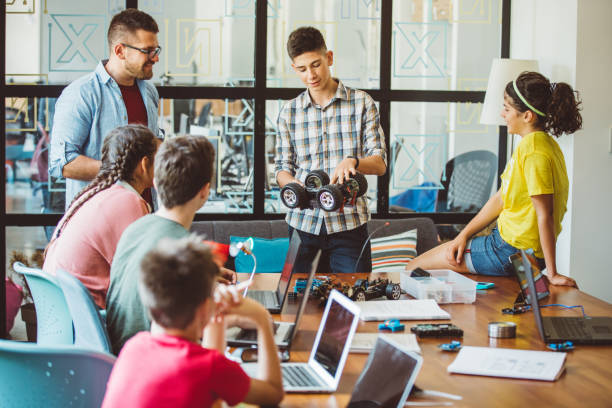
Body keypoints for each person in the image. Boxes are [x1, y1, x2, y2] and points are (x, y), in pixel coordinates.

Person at [406, 71, 582, 287]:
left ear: (527, 116)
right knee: (437, 257)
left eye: (507, 109)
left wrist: (553, 273)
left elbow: (545, 214)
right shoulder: (543, 145)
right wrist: (464, 236)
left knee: (413, 267)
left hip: (509, 250)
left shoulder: (533, 150)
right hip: (511, 247)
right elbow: (501, 198)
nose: (502, 114)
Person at [101, 236, 284, 408]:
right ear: (205, 306)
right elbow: (273, 394)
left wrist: (215, 315)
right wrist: (260, 318)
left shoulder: (133, 347)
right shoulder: (209, 367)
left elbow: (211, 390)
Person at [106, 135, 236, 354]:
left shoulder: (135, 229)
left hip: (122, 357)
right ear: (204, 192)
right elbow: (203, 329)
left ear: (155, 183)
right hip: (155, 361)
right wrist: (253, 319)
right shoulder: (183, 249)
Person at [274, 26, 387, 274]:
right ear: (294, 68)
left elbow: (379, 164)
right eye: (302, 69)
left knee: (352, 301)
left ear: (330, 58)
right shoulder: (288, 113)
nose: (310, 75)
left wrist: (353, 161)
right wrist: (294, 185)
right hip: (302, 226)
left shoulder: (362, 103)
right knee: (298, 302)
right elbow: (281, 168)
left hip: (349, 228)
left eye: (316, 65)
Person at [49, 9, 161, 208]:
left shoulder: (149, 92)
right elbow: (62, 164)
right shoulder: (82, 94)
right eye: (147, 51)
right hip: (100, 220)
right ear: (120, 51)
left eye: (156, 50)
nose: (155, 58)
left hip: (145, 217)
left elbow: (152, 148)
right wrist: (124, 171)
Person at [43, 125, 159, 309]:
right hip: (87, 317)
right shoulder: (128, 201)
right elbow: (145, 274)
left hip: (63, 312)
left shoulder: (98, 194)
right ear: (144, 165)